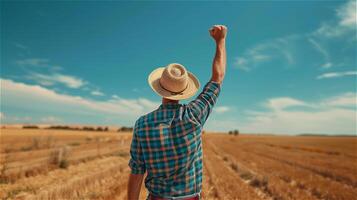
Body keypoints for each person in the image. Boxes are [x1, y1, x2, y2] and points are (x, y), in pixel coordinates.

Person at [127, 25, 227, 200]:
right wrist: (221, 40)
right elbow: (217, 77)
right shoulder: (195, 114)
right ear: (184, 90)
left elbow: (137, 172)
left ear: (159, 88)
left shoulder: (142, 124)